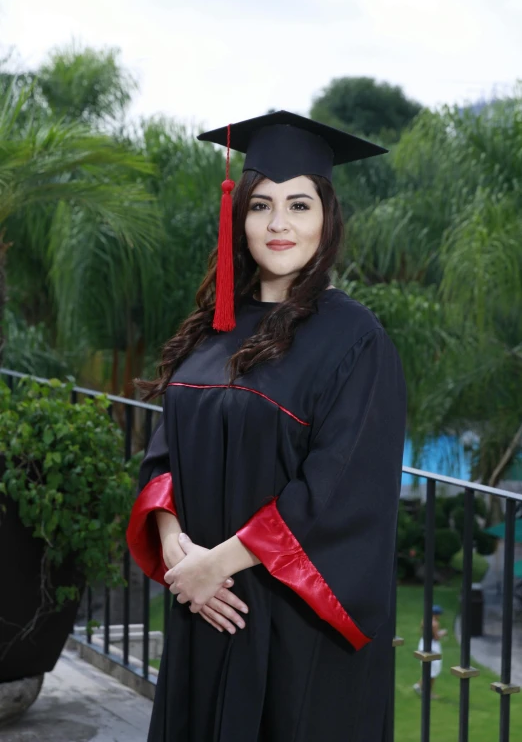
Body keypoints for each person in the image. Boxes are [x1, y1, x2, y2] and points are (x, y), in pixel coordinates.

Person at [126, 110, 407, 742]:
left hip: (289, 623)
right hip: (204, 607)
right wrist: (177, 552)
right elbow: (164, 456)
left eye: (299, 205)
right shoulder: (212, 329)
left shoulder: (355, 340)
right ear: (239, 218)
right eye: (261, 205)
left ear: (327, 219)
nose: (279, 223)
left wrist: (212, 566)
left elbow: (335, 492)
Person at [413, 604, 448, 699]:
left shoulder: (424, 621)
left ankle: (419, 686)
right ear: (436, 614)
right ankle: (428, 692)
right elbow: (436, 637)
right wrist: (443, 633)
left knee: (427, 667)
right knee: (433, 670)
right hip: (432, 646)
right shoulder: (435, 624)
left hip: (423, 643)